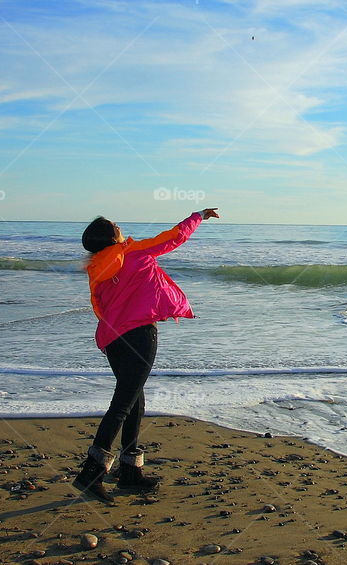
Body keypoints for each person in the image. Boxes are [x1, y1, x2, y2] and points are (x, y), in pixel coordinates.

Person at [73, 208, 219, 502]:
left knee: (134, 401)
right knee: (124, 404)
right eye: (116, 226)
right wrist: (198, 217)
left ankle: (130, 472)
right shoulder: (133, 252)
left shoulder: (98, 266)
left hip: (113, 337)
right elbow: (174, 238)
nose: (120, 227)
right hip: (139, 334)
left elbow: (101, 304)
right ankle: (91, 473)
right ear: (113, 236)